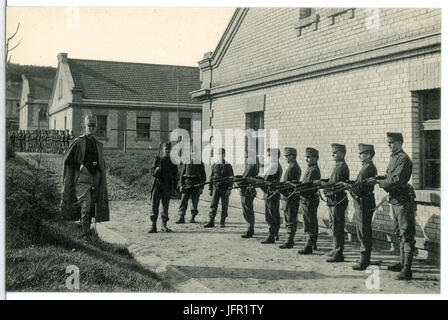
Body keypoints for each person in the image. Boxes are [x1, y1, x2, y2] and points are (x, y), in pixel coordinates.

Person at [372, 132, 415, 280]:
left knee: (406, 233)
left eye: (391, 142)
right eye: (388, 142)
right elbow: (389, 178)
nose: (388, 144)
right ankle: (401, 262)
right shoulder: (394, 158)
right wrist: (380, 178)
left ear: (400, 142)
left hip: (403, 201)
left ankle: (407, 269)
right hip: (395, 200)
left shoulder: (403, 159)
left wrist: (379, 182)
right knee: (398, 232)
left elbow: (396, 180)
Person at [59, 115, 110, 238]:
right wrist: (80, 166)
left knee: (92, 205)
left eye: (94, 125)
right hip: (82, 179)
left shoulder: (98, 144)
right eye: (89, 125)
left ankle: (86, 231)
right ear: (85, 126)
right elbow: (67, 159)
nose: (91, 128)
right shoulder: (78, 142)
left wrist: (100, 171)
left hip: (95, 179)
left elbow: (100, 161)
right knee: (86, 204)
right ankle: (84, 234)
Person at [351, 143, 377, 271]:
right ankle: (365, 257)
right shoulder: (366, 167)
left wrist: (350, 189)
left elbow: (360, 188)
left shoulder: (367, 168)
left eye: (361, 153)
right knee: (363, 230)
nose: (359, 155)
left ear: (367, 155)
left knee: (363, 231)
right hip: (364, 202)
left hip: (363, 202)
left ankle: (364, 260)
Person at [323, 143, 350, 263]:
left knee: (338, 227)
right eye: (332, 152)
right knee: (334, 226)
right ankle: (335, 249)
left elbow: (336, 185)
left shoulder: (341, 167)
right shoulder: (338, 166)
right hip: (334, 201)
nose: (332, 154)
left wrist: (325, 187)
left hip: (337, 201)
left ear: (342, 153)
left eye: (335, 153)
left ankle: (338, 253)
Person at [149, 142, 178, 233]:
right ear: (163, 150)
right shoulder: (158, 160)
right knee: (154, 206)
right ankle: (153, 226)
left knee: (165, 206)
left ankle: (164, 226)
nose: (167, 151)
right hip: (157, 185)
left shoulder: (173, 161)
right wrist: (156, 170)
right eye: (166, 149)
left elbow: (175, 176)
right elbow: (152, 173)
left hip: (167, 186)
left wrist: (174, 188)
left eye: (169, 150)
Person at [298, 147, 321, 255]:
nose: (306, 159)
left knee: (309, 222)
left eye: (309, 157)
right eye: (306, 157)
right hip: (307, 199)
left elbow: (309, 186)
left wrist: (298, 189)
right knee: (311, 221)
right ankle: (312, 243)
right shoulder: (311, 168)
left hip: (309, 199)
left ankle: (309, 245)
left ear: (315, 158)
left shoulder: (314, 170)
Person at [204, 148, 234, 228]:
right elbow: (211, 177)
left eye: (222, 154)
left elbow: (231, 178)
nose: (220, 156)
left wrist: (229, 189)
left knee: (224, 206)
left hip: (224, 189)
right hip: (216, 188)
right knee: (213, 205)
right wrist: (210, 189)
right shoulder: (215, 164)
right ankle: (211, 221)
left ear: (224, 155)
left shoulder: (228, 165)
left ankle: (222, 222)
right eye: (219, 154)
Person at [176, 146, 206, 224]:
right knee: (183, 201)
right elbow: (182, 175)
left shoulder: (200, 164)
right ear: (191, 153)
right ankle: (181, 217)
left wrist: (201, 188)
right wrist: (181, 185)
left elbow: (203, 177)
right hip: (187, 184)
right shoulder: (186, 162)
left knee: (194, 202)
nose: (194, 154)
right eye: (193, 152)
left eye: (196, 152)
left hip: (196, 185)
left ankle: (193, 217)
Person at [278, 147, 301, 249]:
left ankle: (289, 240)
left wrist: (280, 188)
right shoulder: (292, 166)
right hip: (289, 196)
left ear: (293, 156)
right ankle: (289, 239)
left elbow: (289, 184)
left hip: (290, 197)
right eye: (285, 156)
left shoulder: (293, 167)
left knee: (290, 218)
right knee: (289, 218)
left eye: (288, 156)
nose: (286, 158)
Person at [261, 148, 283, 244]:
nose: (268, 157)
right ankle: (275, 234)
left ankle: (271, 236)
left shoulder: (274, 166)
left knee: (270, 216)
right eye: (268, 155)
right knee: (275, 214)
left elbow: (267, 181)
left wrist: (260, 182)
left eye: (270, 155)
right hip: (273, 194)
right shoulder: (276, 166)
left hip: (270, 194)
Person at [238, 149, 260, 238]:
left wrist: (239, 181)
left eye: (246, 156)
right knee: (248, 209)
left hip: (247, 191)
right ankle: (250, 228)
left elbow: (245, 178)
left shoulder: (251, 166)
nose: (245, 158)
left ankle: (250, 229)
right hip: (249, 191)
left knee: (247, 210)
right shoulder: (252, 165)